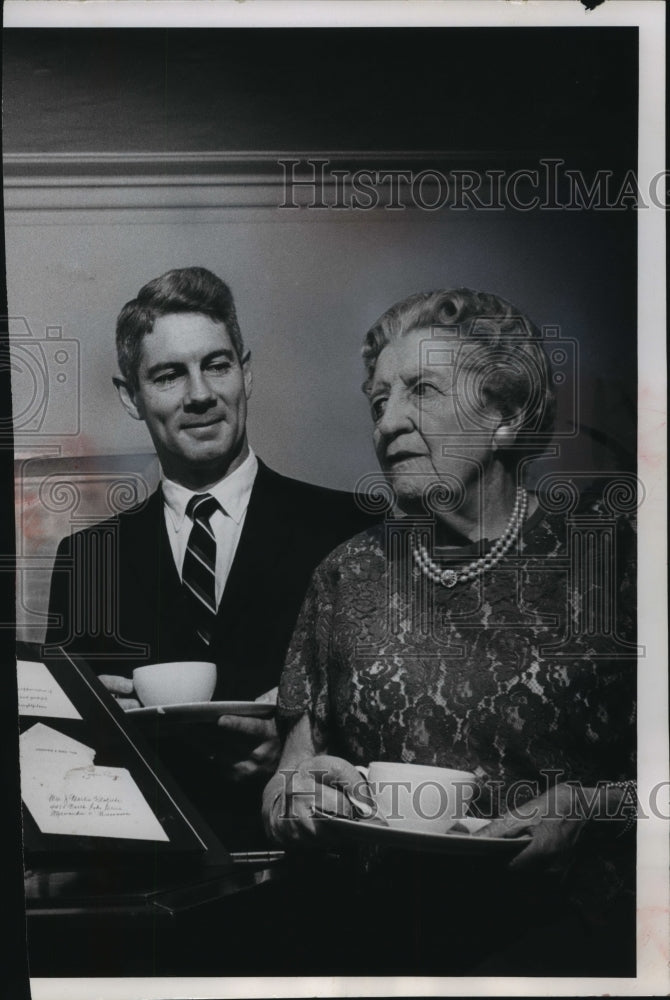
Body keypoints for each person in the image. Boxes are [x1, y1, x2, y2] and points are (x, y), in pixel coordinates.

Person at [262, 287, 637, 975]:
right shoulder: (347, 575)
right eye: (379, 402)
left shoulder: (612, 561)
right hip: (382, 946)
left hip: (572, 948)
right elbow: (288, 777)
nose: (388, 423)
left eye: (422, 391)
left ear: (505, 413)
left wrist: (588, 807)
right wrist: (295, 801)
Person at [45, 266, 379, 844]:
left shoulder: (352, 530)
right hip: (155, 897)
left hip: (315, 891)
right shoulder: (87, 560)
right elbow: (57, 757)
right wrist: (105, 730)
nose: (200, 394)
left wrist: (303, 740)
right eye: (169, 375)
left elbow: (403, 725)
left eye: (216, 365)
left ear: (245, 373)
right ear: (132, 397)